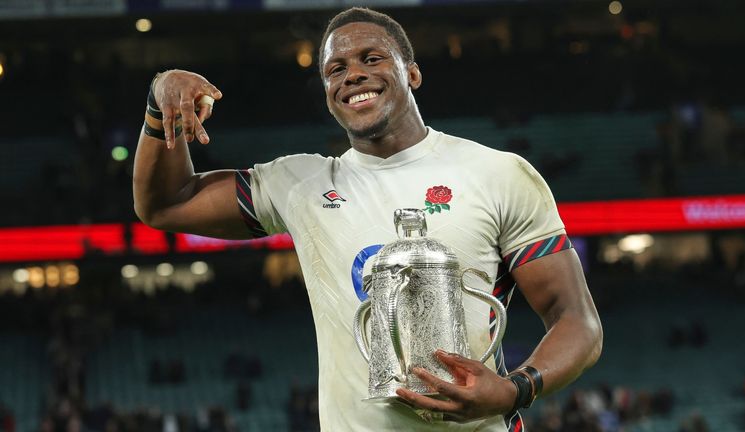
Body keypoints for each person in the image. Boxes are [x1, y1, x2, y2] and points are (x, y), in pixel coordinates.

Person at [132, 7, 602, 431]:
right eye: (336, 69)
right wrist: (160, 106)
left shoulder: (496, 173)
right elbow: (165, 203)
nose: (352, 75)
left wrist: (515, 388)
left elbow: (575, 319)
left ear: (412, 73)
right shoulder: (300, 183)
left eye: (372, 59)